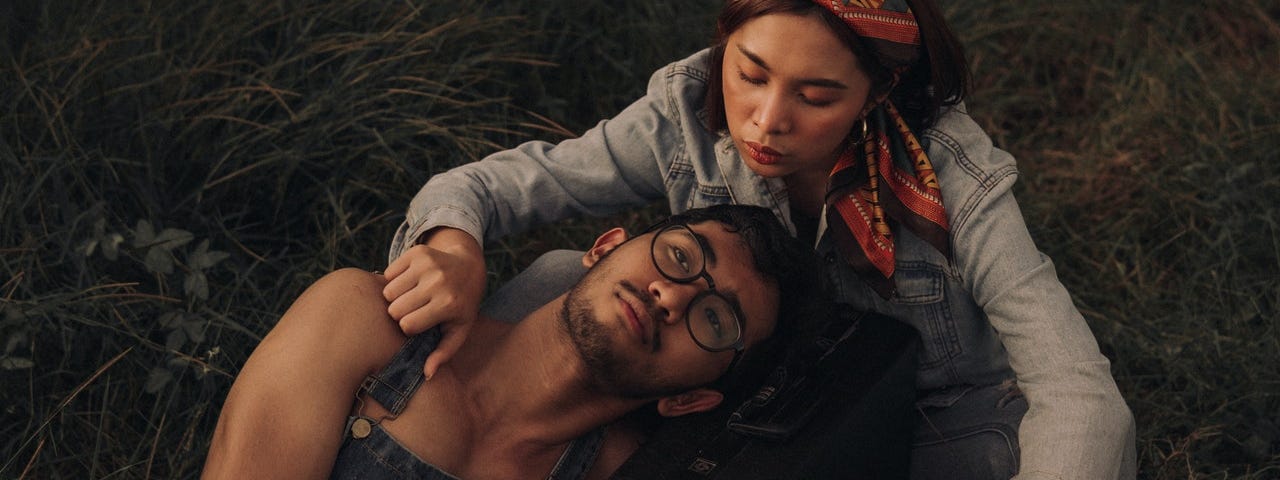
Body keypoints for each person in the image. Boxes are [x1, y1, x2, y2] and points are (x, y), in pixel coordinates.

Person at [384, 1, 1139, 478]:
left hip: (919, 418)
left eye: (816, 97)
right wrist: (452, 244)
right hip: (727, 369)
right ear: (726, 43)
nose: (765, 121)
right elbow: (491, 188)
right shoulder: (686, 109)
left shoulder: (950, 177)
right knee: (560, 277)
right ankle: (411, 431)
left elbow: (1078, 391)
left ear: (875, 95)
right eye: (750, 73)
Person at [203, 205, 821, 480]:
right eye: (681, 255)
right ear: (605, 247)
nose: (674, 295)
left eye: (715, 321)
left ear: (691, 400)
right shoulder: (369, 322)